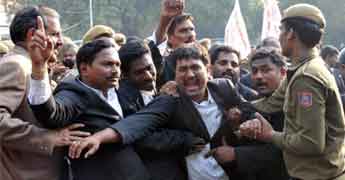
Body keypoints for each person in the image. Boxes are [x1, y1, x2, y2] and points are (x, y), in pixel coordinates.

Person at [69, 46, 257, 180]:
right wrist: (99, 138)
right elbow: (140, 122)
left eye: (195, 68)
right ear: (173, 75)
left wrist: (239, 119)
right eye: (183, 69)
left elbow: (252, 109)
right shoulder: (169, 99)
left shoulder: (224, 88)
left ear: (207, 70)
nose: (190, 75)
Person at [239, 4, 345, 180]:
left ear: (290, 34)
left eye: (281, 30)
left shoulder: (306, 77)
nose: (279, 36)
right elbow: (272, 103)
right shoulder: (303, 68)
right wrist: (239, 105)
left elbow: (311, 143)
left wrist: (270, 135)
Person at [29, 39, 151, 180]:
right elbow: (50, 114)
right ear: (84, 69)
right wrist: (39, 68)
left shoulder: (123, 90)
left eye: (118, 65)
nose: (115, 70)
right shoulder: (75, 94)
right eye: (108, 64)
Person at [0, 6, 88, 180]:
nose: (61, 42)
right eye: (55, 34)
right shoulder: (16, 66)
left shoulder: (32, 65)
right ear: (33, 35)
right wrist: (48, 138)